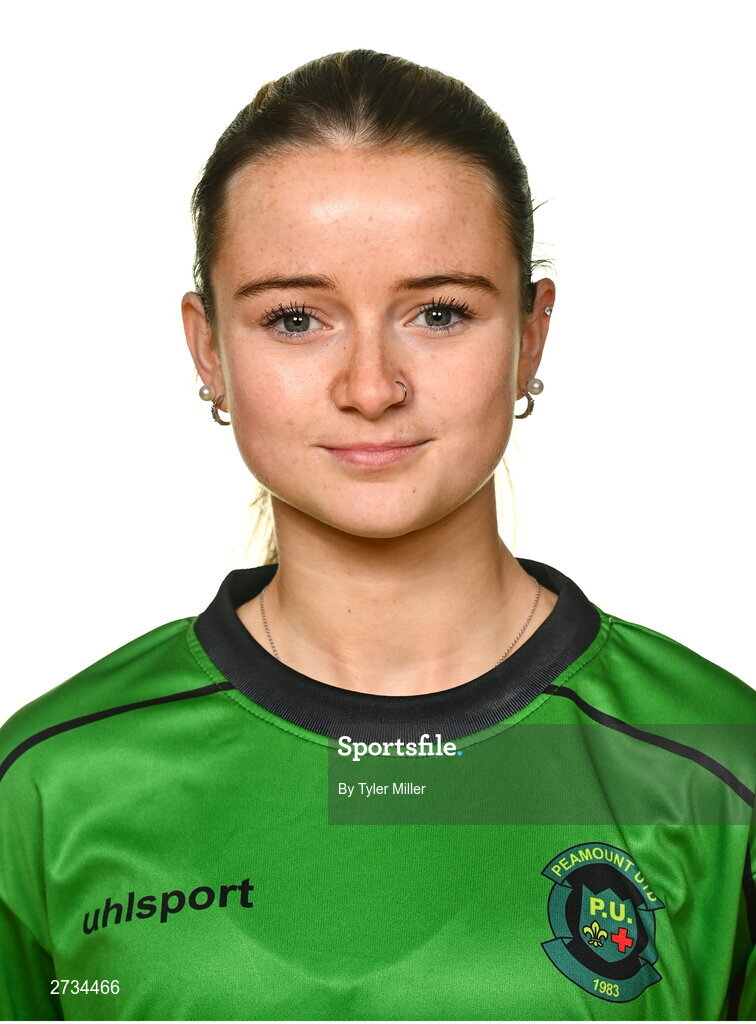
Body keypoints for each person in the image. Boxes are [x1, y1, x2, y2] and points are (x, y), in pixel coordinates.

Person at [0, 47, 753, 1022]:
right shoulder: (53, 785)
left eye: (439, 312)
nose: (370, 386)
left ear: (530, 335)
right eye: (295, 318)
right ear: (208, 347)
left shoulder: (714, 765)